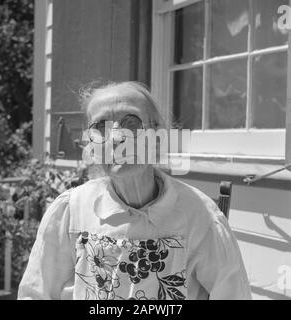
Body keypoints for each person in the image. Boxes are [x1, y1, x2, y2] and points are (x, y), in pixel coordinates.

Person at [18, 81, 252, 300]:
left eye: (132, 123)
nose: (118, 137)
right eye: (101, 128)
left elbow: (232, 292)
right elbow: (35, 292)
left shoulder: (199, 214)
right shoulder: (70, 211)